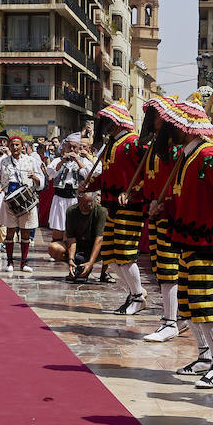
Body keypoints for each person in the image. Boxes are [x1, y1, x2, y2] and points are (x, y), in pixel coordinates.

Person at [156, 98, 213, 388]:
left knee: (206, 304)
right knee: (190, 305)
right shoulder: (187, 154)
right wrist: (165, 206)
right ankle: (205, 357)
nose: (170, 129)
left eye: (175, 125)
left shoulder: (209, 155)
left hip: (207, 240)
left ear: (186, 128)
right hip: (185, 239)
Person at [88, 102, 147, 312]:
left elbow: (148, 173)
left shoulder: (134, 143)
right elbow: (108, 175)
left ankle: (138, 296)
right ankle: (134, 292)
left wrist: (133, 191)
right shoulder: (111, 144)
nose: (105, 126)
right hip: (110, 203)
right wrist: (90, 184)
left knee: (125, 252)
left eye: (108, 122)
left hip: (129, 206)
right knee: (111, 256)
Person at [137, 99, 187, 341]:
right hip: (155, 211)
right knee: (160, 268)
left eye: (156, 115)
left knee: (169, 270)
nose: (152, 119)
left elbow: (179, 185)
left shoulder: (175, 149)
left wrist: (163, 203)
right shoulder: (155, 145)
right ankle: (173, 317)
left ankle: (171, 321)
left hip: (168, 215)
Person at [0, 135, 44, 272]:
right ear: (9, 146)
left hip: (26, 199)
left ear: (22, 146)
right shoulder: (4, 162)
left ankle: (24, 262)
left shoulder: (31, 161)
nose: (15, 147)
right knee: (10, 232)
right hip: (9, 199)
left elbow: (41, 181)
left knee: (25, 232)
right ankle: (9, 262)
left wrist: (35, 177)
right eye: (12, 145)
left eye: (17, 145)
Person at [46, 132, 94, 246]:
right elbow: (51, 173)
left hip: (75, 199)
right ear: (65, 147)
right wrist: (63, 160)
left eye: (74, 147)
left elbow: (89, 174)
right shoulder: (58, 160)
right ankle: (56, 249)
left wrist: (77, 160)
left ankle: (71, 251)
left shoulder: (84, 161)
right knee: (58, 226)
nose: (72, 149)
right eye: (69, 147)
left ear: (78, 148)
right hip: (60, 198)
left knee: (74, 227)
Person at [48, 189, 107, 280]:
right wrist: (71, 260)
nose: (85, 207)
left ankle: (104, 274)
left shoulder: (101, 212)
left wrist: (91, 262)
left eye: (89, 204)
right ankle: (76, 267)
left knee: (112, 246)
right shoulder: (71, 211)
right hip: (78, 245)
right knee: (54, 248)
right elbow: (71, 239)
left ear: (93, 202)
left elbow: (99, 239)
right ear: (78, 201)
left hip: (96, 247)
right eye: (82, 204)